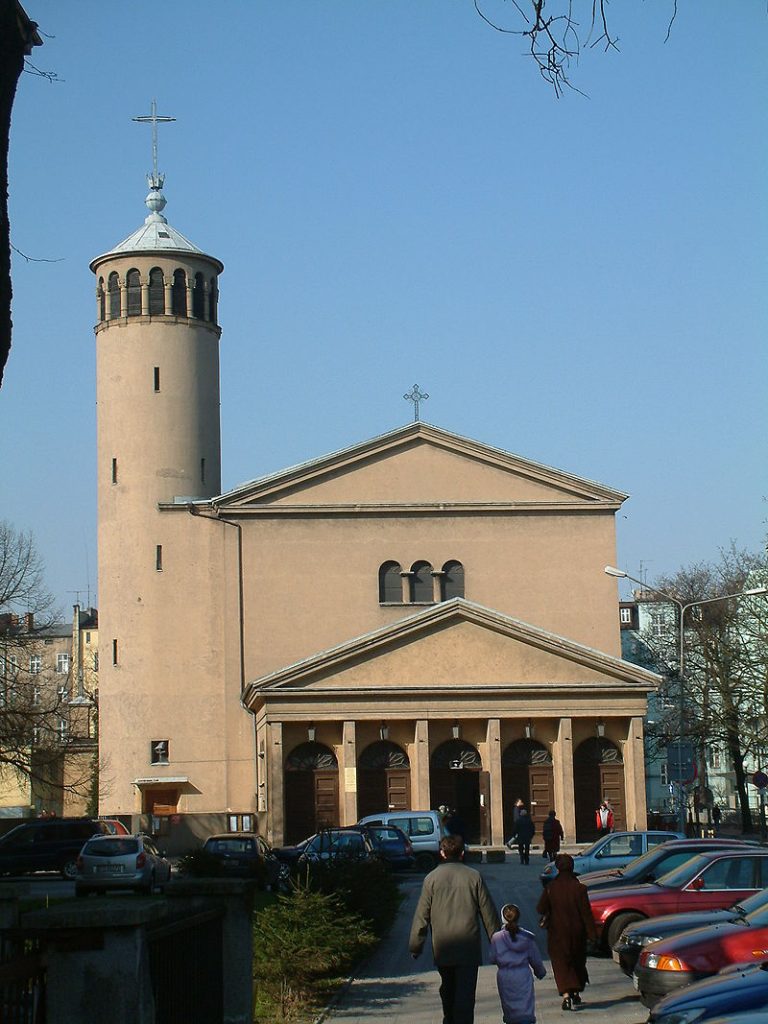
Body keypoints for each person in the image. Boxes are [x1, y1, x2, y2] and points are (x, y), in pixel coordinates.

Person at [409, 834, 499, 1024]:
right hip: (468, 946)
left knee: (448, 987)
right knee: (466, 993)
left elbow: (422, 915)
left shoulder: (431, 879)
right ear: (462, 853)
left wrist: (416, 945)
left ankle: (449, 1018)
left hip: (443, 945)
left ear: (442, 853)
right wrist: (498, 942)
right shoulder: (473, 876)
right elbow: (488, 912)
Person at [535, 853, 597, 1012]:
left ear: (557, 868)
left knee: (561, 964)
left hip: (557, 933)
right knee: (577, 962)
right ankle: (575, 992)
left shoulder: (551, 888)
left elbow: (540, 908)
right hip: (577, 933)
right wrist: (592, 934)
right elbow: (586, 914)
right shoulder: (580, 888)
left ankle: (566, 995)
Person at [489, 903, 546, 1024]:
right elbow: (535, 958)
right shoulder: (527, 937)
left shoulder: (496, 938)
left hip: (505, 976)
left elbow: (492, 958)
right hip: (523, 974)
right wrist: (540, 972)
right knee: (525, 1005)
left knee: (509, 1006)